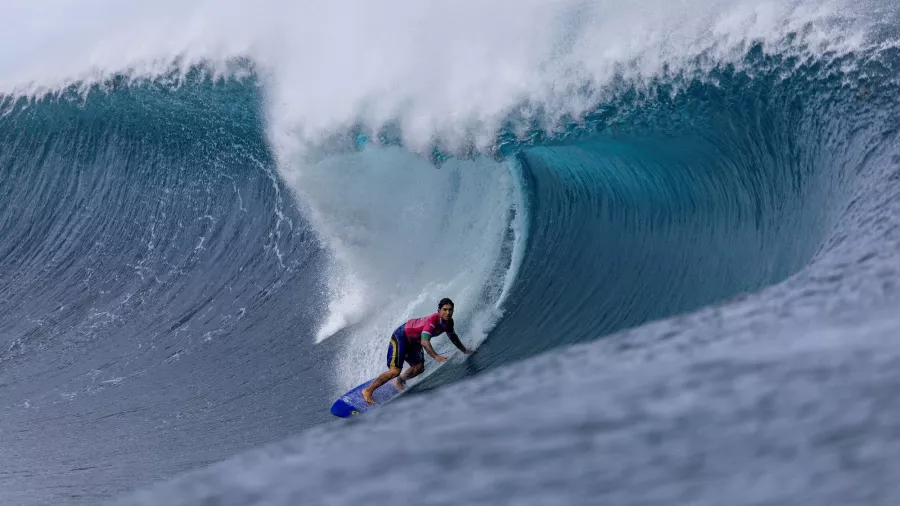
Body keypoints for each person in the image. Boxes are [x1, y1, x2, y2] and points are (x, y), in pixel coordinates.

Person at [361, 298, 472, 405]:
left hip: (414, 342)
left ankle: (399, 381)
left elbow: (453, 337)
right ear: (439, 311)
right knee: (395, 371)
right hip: (401, 336)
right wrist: (436, 356)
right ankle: (368, 391)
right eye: (445, 309)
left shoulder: (449, 323)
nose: (448, 312)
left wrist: (464, 350)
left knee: (419, 368)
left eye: (450, 309)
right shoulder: (432, 321)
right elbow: (424, 342)